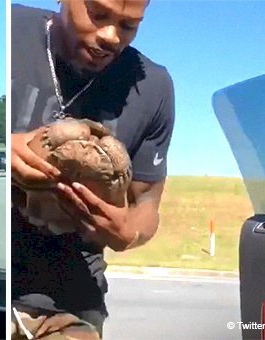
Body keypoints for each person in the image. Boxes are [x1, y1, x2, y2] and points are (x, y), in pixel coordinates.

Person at [11, 0, 175, 338]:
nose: (111, 36)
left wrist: (129, 232)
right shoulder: (5, 29)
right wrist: (2, 148)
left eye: (129, 25)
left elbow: (146, 204)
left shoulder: (152, 88)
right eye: (97, 14)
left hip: (66, 304)